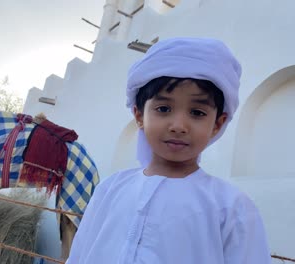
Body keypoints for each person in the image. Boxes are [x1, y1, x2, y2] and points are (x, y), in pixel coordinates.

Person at [66, 37, 271, 263]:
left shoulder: (232, 208)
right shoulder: (110, 190)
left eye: (197, 113)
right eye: (163, 109)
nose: (178, 126)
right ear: (139, 115)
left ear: (217, 124)